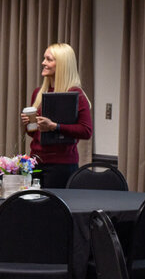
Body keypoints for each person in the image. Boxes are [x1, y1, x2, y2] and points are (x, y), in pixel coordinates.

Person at [19, 43, 92, 188]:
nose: (43, 63)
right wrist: (29, 124)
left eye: (48, 59)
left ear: (62, 65)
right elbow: (35, 135)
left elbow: (86, 131)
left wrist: (54, 126)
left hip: (61, 166)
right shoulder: (39, 93)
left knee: (53, 209)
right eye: (44, 59)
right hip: (35, 162)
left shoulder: (76, 95)